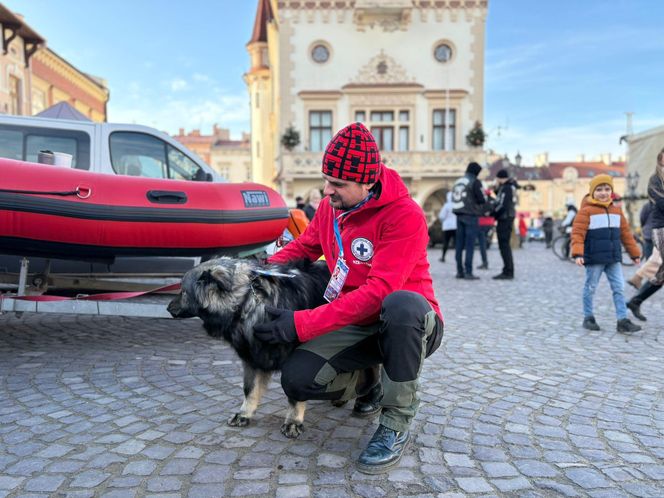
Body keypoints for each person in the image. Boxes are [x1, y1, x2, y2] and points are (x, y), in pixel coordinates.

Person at [253, 122, 444, 474]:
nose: (327, 191)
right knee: (297, 380)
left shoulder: (406, 216)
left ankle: (396, 421)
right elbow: (305, 246)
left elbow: (378, 294)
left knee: (401, 305)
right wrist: (257, 269)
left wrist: (300, 324)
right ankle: (370, 382)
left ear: (368, 182)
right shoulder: (332, 207)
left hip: (409, 326)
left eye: (337, 184)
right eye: (327, 180)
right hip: (356, 323)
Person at [570, 174, 642, 333]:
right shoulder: (586, 212)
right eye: (599, 189)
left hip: (613, 258)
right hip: (594, 258)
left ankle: (622, 320)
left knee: (619, 288)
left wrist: (634, 253)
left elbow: (626, 234)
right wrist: (578, 254)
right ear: (592, 191)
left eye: (607, 189)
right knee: (590, 287)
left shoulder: (617, 211)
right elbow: (577, 234)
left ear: (611, 191)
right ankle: (588, 317)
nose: (604, 193)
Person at [629, 147, 664, 320]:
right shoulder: (655, 180)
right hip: (658, 230)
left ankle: (636, 299)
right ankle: (639, 276)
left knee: (661, 275)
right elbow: (661, 203)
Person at [451, 162, 486, 279]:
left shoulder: (458, 181)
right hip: (471, 215)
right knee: (469, 245)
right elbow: (481, 199)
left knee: (459, 245)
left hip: (458, 215)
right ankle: (468, 271)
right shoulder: (474, 182)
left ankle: (459, 271)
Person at [438, 191, 457, 262]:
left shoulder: (446, 206)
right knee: (456, 243)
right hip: (455, 227)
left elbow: (441, 216)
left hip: (447, 227)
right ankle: (457, 257)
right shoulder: (456, 205)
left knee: (446, 242)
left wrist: (443, 221)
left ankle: (443, 257)